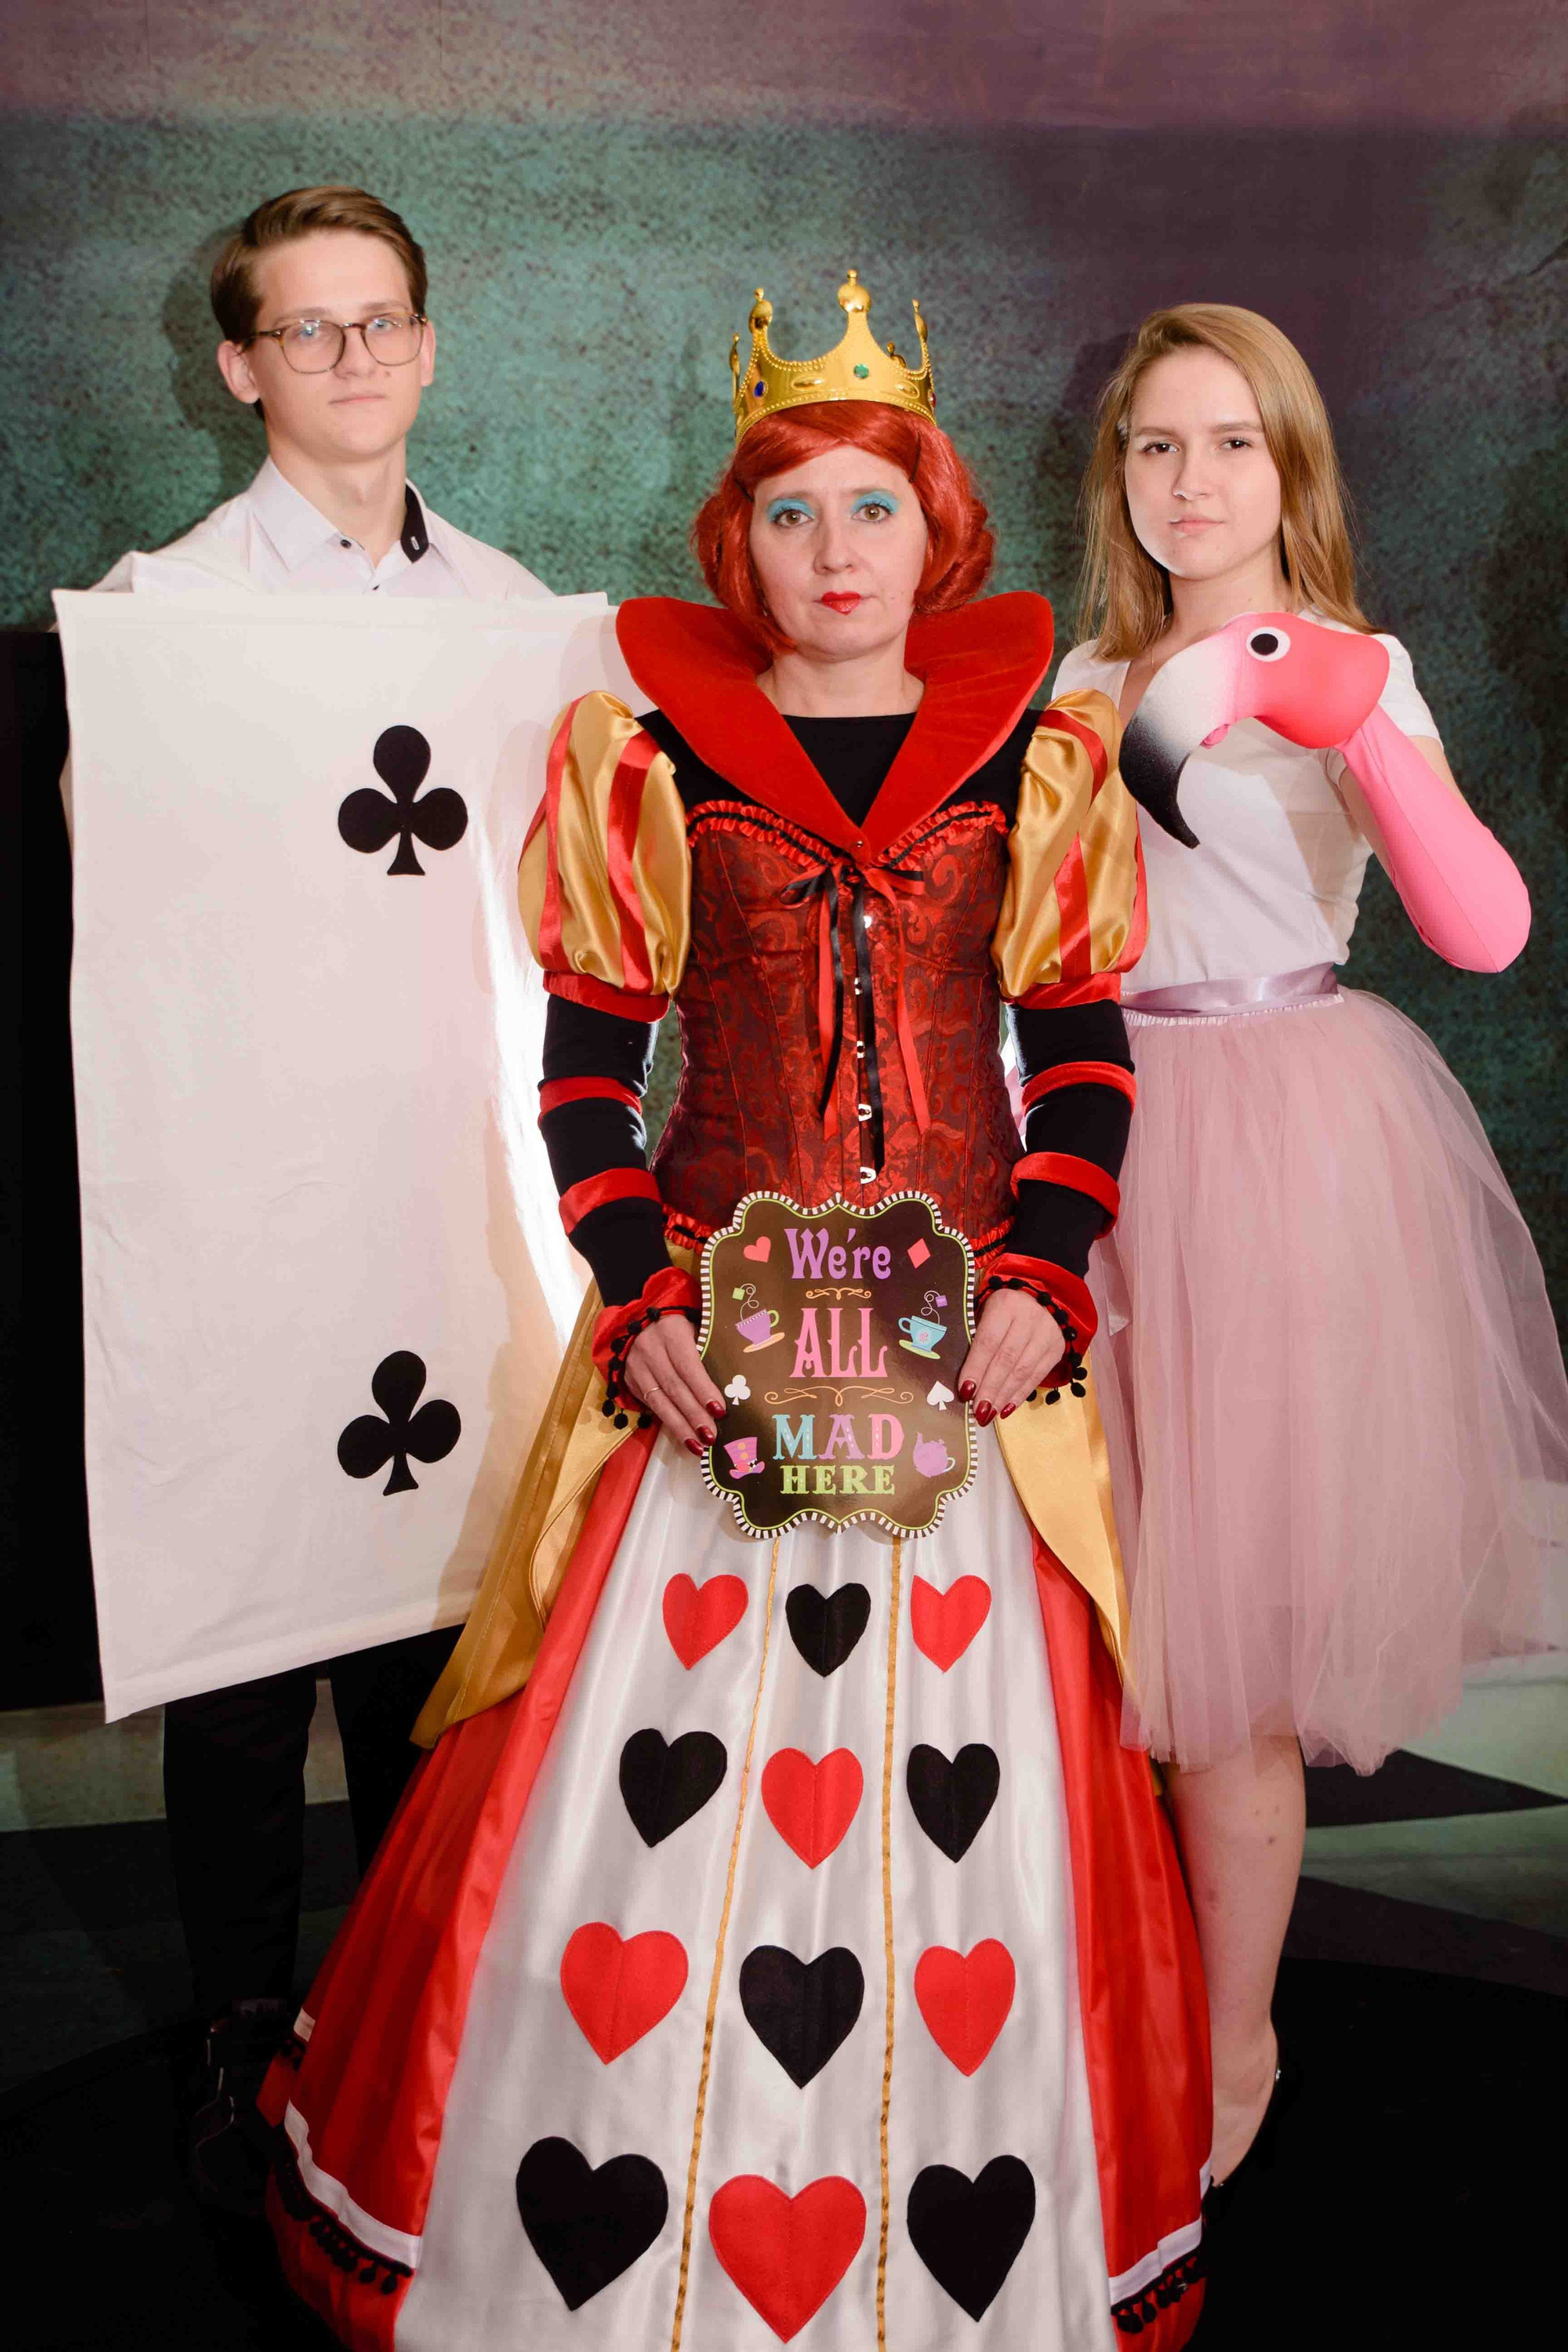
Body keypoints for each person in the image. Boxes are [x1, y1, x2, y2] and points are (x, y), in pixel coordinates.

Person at [259, 271, 1211, 2350]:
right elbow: (588, 1071)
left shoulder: (1043, 752)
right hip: (716, 1363)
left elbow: (1085, 1053)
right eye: (792, 514)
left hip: (967, 1373)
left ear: (936, 528)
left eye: (874, 507)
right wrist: (640, 1296)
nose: (835, 552)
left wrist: (1046, 1282)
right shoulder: (645, 753)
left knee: (986, 1831)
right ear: (737, 541)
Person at [1054, 302, 1568, 2210]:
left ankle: (1239, 2029)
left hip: (1280, 1152)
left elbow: (1484, 927)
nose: (1191, 483)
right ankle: (1097, 1988)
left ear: (1293, 466)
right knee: (1093, 1615)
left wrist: (1358, 731)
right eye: (1157, 446)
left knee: (1226, 1646)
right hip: (1088, 1148)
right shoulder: (1076, 680)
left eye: (1231, 444)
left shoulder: (1357, 667)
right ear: (1118, 474)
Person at [93, 183, 553, 2216]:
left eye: (382, 323)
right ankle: (236, 2022)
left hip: (443, 1182)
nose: (353, 359)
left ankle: (407, 2018)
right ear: (239, 366)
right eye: (309, 329)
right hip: (254, 1195)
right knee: (248, 1626)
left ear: (428, 348)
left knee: (428, 1617)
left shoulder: (517, 620)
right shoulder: (165, 622)